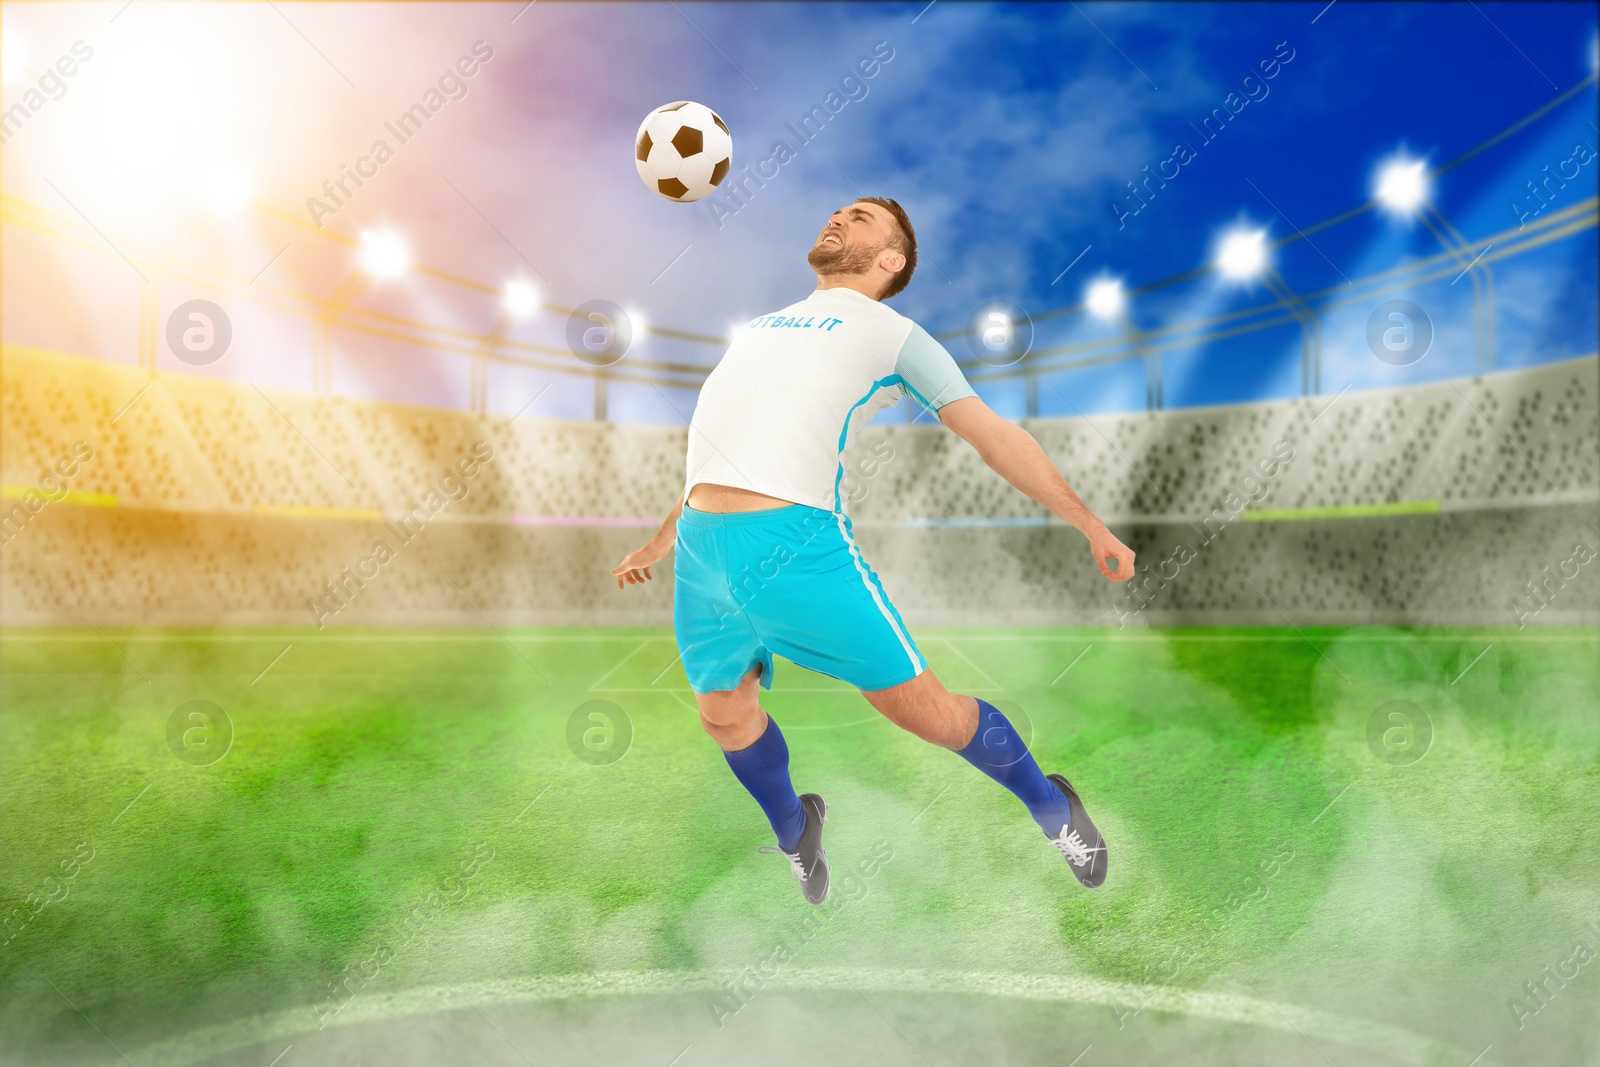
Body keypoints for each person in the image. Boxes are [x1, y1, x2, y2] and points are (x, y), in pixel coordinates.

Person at [612, 197, 1135, 903]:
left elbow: (992, 434)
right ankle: (797, 829)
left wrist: (1091, 523)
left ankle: (1052, 808)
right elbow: (723, 444)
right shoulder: (761, 328)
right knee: (722, 715)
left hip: (800, 549)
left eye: (859, 218)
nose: (836, 218)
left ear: (892, 260)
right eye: (835, 211)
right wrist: (663, 534)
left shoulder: (896, 336)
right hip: (706, 555)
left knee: (932, 716)